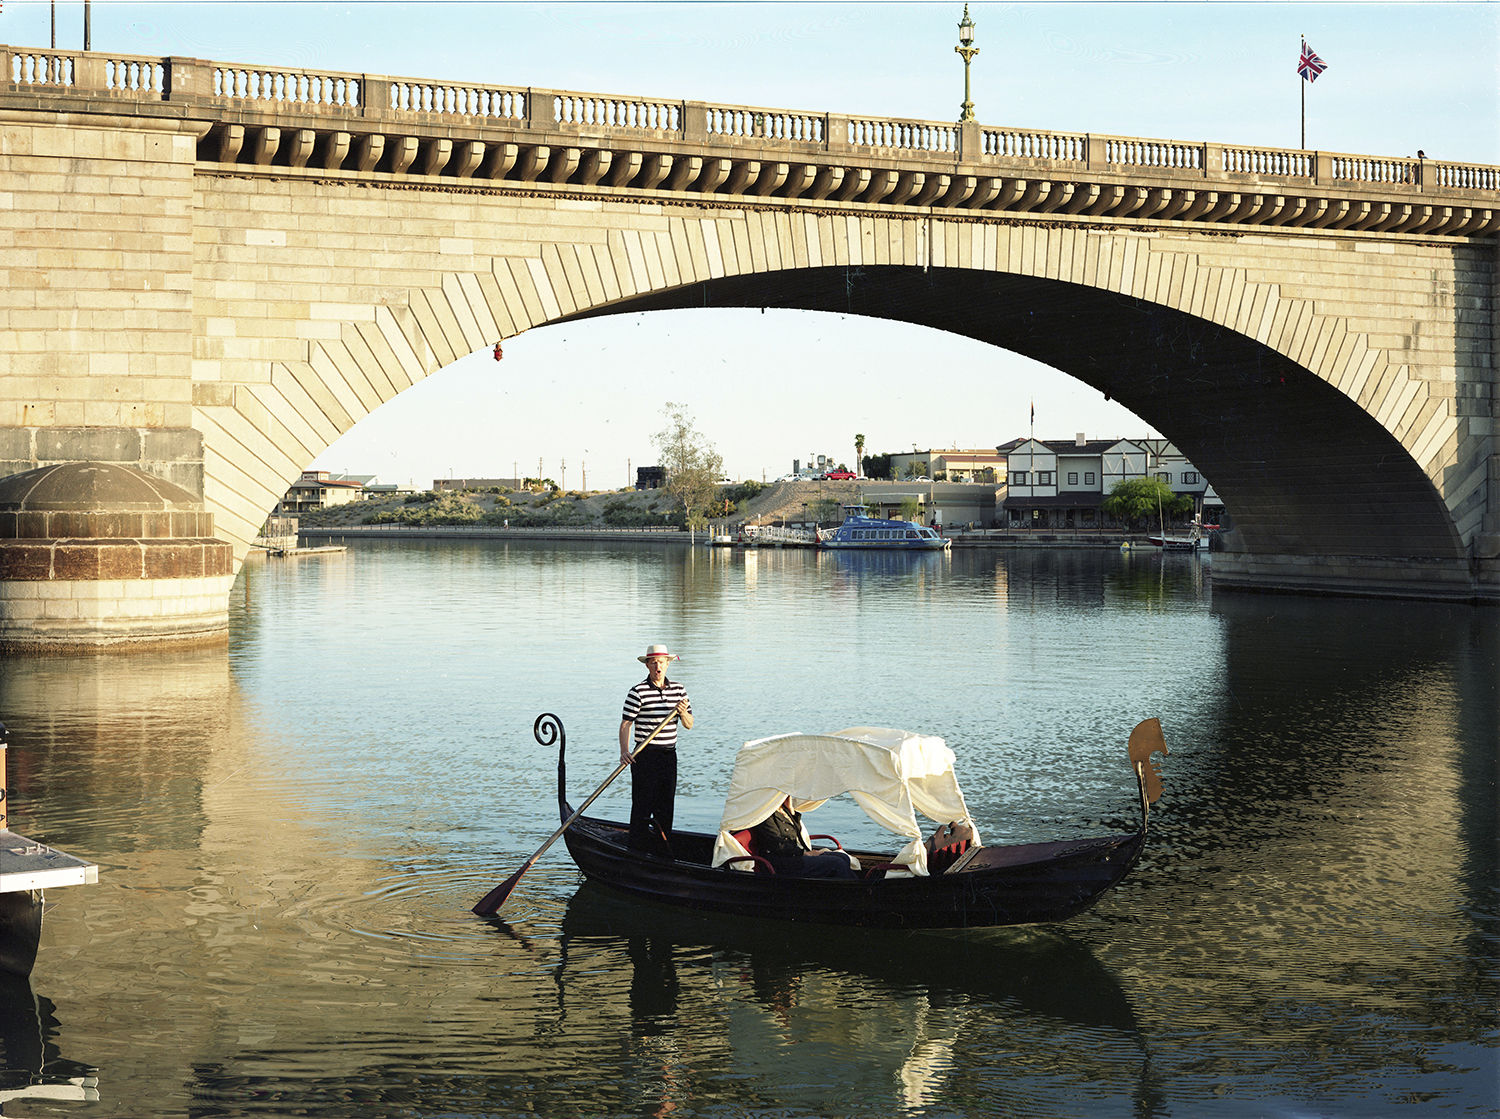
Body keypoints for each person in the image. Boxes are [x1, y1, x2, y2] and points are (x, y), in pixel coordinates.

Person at [619, 644, 693, 854]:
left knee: (666, 806)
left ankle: (662, 850)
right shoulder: (637, 692)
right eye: (654, 663)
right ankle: (637, 850)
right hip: (645, 756)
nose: (658, 666)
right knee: (643, 806)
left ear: (667, 664)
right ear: (648, 666)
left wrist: (683, 712)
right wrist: (624, 751)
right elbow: (626, 724)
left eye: (661, 662)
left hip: (669, 756)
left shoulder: (679, 690)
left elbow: (689, 724)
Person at [748, 797, 857, 879]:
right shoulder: (765, 814)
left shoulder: (783, 810)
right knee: (837, 863)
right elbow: (777, 844)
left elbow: (796, 832)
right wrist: (805, 853)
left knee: (844, 858)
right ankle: (856, 894)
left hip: (791, 855)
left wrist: (790, 809)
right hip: (782, 862)